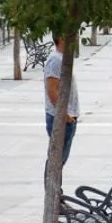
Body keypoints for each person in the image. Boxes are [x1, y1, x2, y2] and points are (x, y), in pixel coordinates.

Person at [44, 34, 79, 166]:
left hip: (67, 118)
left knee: (60, 160)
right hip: (60, 118)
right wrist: (65, 115)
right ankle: (52, 186)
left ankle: (55, 185)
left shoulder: (62, 59)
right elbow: (52, 90)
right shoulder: (55, 61)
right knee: (56, 161)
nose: (75, 38)